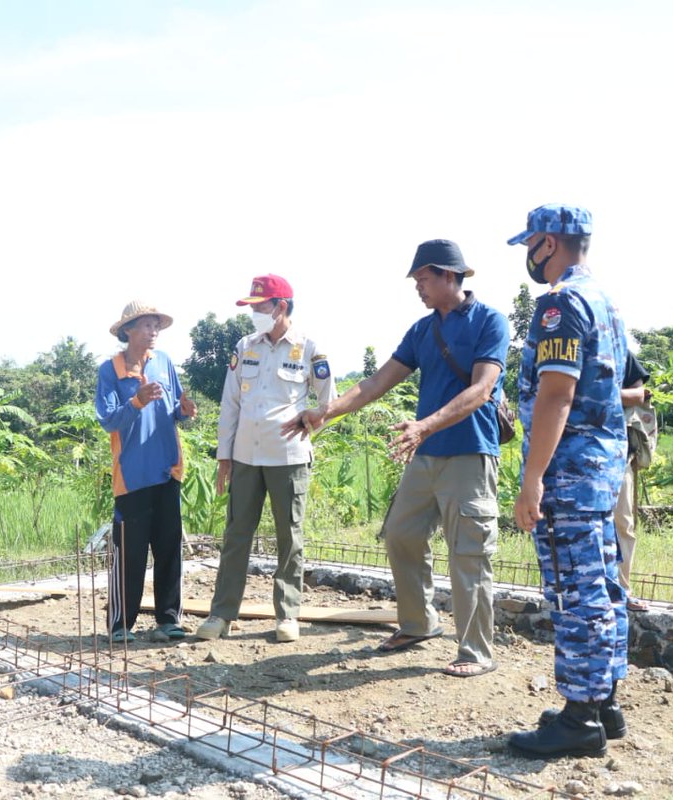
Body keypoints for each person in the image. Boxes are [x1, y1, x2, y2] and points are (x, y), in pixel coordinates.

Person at [283, 240, 509, 677]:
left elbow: (482, 390)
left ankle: (475, 651)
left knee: (469, 552)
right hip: (426, 455)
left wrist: (425, 425)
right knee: (401, 534)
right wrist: (323, 412)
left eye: (423, 278)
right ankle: (419, 623)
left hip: (469, 453)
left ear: (448, 275)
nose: (418, 287)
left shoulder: (490, 321)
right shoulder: (423, 331)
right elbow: (374, 385)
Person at [505, 204, 629, 759]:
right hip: (602, 470)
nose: (528, 256)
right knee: (603, 585)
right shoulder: (604, 301)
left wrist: (532, 479)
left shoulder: (560, 303)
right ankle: (604, 703)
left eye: (530, 244)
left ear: (549, 242)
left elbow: (557, 392)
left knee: (577, 594)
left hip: (570, 474)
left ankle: (580, 720)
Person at [195, 274, 335, 643]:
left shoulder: (309, 348)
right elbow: (231, 404)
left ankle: (287, 615)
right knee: (236, 535)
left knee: (289, 537)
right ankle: (221, 615)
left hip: (288, 457)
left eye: (260, 307)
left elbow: (328, 402)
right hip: (245, 457)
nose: (254, 313)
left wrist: (311, 422)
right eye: (252, 307)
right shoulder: (245, 346)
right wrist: (224, 456)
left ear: (281, 307)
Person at [95, 301, 197, 644]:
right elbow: (108, 420)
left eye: (157, 326)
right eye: (147, 326)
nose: (154, 332)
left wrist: (185, 411)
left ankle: (168, 619)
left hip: (167, 468)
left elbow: (175, 410)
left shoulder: (164, 363)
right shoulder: (110, 371)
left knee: (169, 547)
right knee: (130, 553)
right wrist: (136, 401)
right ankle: (121, 624)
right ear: (128, 331)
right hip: (132, 474)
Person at [618, 352, 652, 612]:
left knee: (622, 524)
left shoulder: (617, 348)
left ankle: (622, 590)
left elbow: (638, 394)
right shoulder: (565, 346)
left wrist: (592, 394)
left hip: (617, 454)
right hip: (572, 454)